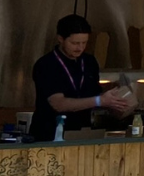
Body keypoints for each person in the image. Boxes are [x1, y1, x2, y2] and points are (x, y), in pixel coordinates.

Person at [31, 14, 134, 142]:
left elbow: (95, 95)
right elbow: (58, 103)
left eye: (84, 43)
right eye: (74, 43)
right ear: (60, 39)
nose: (80, 47)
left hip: (84, 132)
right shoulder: (47, 64)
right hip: (49, 135)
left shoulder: (89, 62)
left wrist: (114, 101)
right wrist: (100, 101)